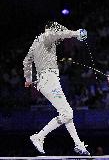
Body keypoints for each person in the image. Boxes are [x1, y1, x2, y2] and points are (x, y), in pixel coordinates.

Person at [23, 21, 90, 155]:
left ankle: (78, 144)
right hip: (49, 79)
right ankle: (39, 136)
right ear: (50, 29)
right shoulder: (47, 36)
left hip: (45, 81)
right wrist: (76, 33)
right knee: (67, 113)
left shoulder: (35, 42)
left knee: (66, 113)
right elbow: (60, 33)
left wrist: (28, 79)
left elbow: (26, 61)